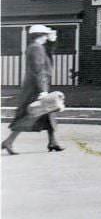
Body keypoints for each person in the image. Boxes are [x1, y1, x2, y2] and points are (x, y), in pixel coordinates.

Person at [1, 25, 64, 155]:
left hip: (37, 86)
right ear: (41, 35)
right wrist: (42, 90)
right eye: (46, 35)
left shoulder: (38, 47)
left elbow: (49, 55)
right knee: (28, 115)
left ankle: (53, 142)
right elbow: (38, 69)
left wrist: (52, 41)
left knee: (49, 112)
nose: (48, 36)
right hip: (35, 89)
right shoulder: (36, 48)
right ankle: (9, 141)